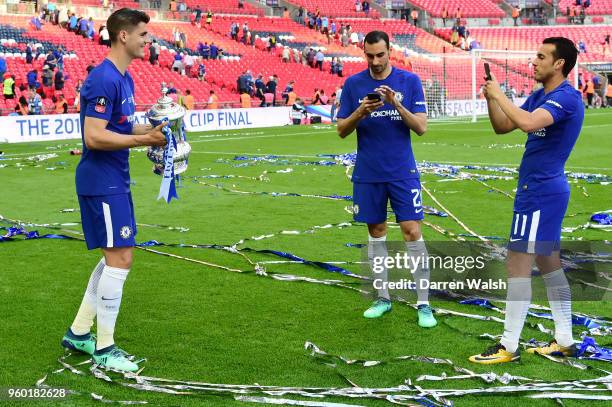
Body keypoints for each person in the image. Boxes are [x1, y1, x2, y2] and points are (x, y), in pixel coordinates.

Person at [60, 8, 167, 373]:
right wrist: (143, 140)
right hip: (101, 182)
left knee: (115, 258)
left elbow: (121, 124)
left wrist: (154, 127)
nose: (148, 41)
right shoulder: (103, 79)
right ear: (124, 36)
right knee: (121, 259)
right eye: (143, 35)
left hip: (114, 181)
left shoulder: (125, 79)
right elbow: (93, 135)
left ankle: (78, 333)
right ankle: (104, 349)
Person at [469, 37, 583, 365]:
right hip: (540, 191)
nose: (534, 61)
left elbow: (528, 123)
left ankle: (509, 345)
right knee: (549, 265)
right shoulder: (541, 95)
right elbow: (503, 125)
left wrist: (500, 95)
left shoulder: (567, 97)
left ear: (559, 63)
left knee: (517, 265)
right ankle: (564, 339)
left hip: (541, 193)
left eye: (541, 56)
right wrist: (492, 97)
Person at [336, 31, 434, 327]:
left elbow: (421, 128)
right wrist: (360, 112)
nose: (375, 61)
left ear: (390, 51)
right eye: (369, 55)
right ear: (363, 53)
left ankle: (424, 303)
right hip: (368, 171)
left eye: (380, 55)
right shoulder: (353, 85)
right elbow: (341, 129)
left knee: (411, 231)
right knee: (376, 230)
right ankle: (382, 297)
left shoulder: (409, 81)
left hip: (402, 170)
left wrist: (396, 104)